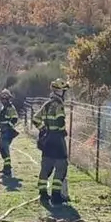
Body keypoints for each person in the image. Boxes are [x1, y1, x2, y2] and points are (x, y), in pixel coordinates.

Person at [33, 77, 70, 205]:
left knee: (46, 167)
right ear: (60, 92)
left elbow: (35, 119)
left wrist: (43, 130)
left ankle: (43, 193)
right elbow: (60, 121)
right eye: (64, 91)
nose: (65, 94)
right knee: (61, 167)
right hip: (58, 140)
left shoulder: (46, 104)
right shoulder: (59, 105)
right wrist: (63, 130)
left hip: (47, 139)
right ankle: (56, 195)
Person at [0, 89, 19, 177]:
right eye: (2, 98)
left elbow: (15, 118)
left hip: (8, 131)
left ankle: (8, 169)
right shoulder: (3, 108)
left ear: (8, 98)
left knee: (4, 148)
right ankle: (6, 167)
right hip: (3, 131)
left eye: (5, 98)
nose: (4, 100)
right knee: (2, 149)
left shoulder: (11, 108)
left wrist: (8, 124)